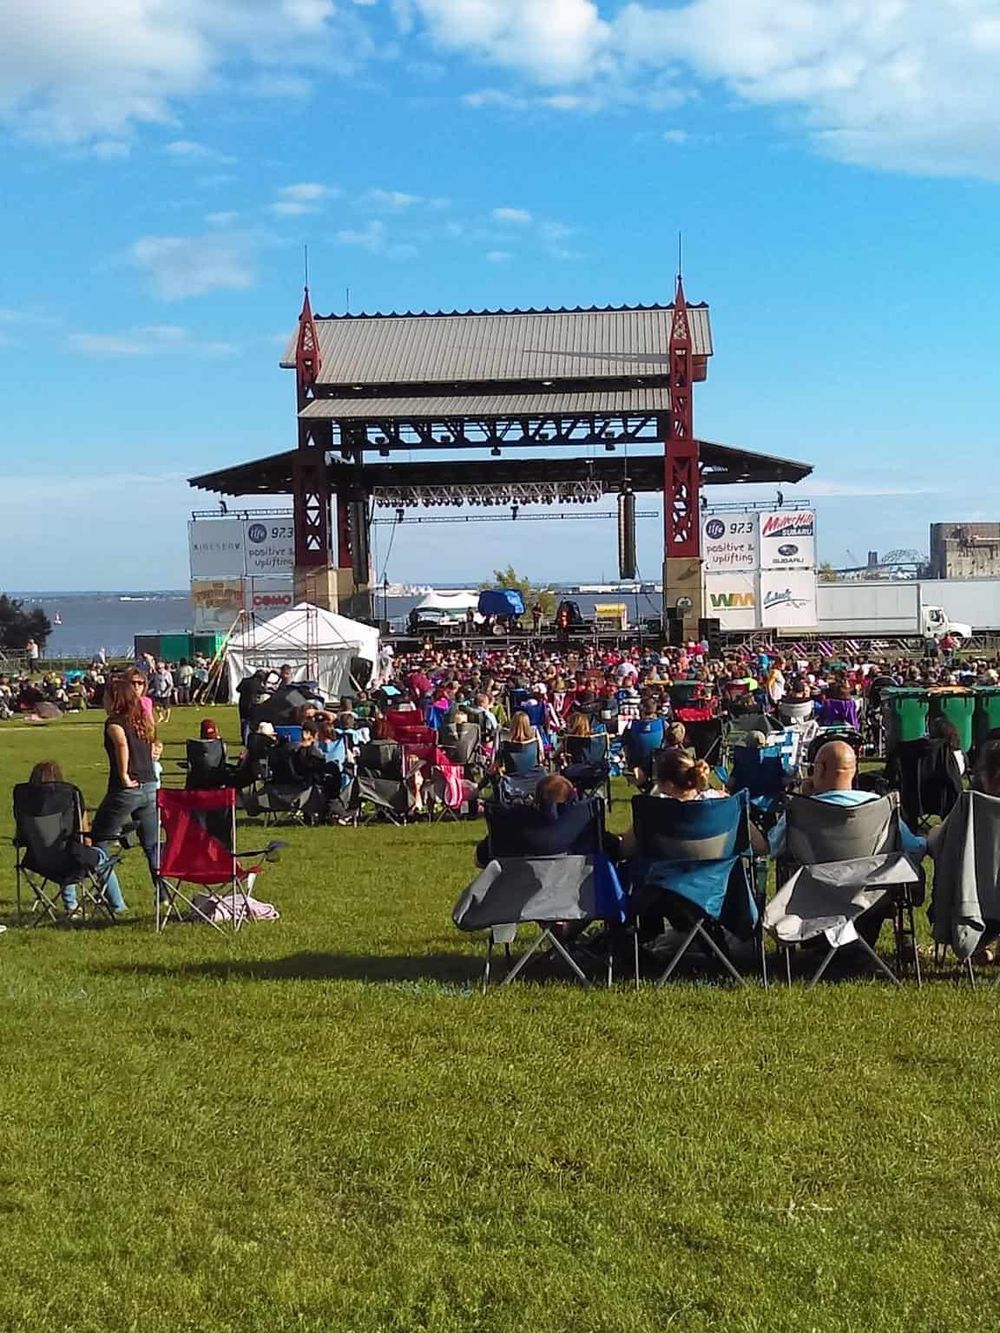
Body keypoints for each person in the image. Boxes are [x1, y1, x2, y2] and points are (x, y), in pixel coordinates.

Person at [27, 760, 129, 919]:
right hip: (69, 859)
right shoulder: (70, 796)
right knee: (97, 856)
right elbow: (84, 834)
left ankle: (72, 906)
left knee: (65, 853)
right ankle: (118, 905)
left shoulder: (26, 801)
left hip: (37, 860)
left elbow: (21, 836)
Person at [91, 675, 162, 897]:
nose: (103, 701)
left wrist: (123, 774)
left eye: (105, 697)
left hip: (126, 789)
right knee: (152, 845)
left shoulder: (114, 723)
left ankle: (115, 899)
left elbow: (122, 744)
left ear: (114, 699)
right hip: (150, 785)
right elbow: (153, 744)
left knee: (98, 840)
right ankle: (164, 895)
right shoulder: (141, 719)